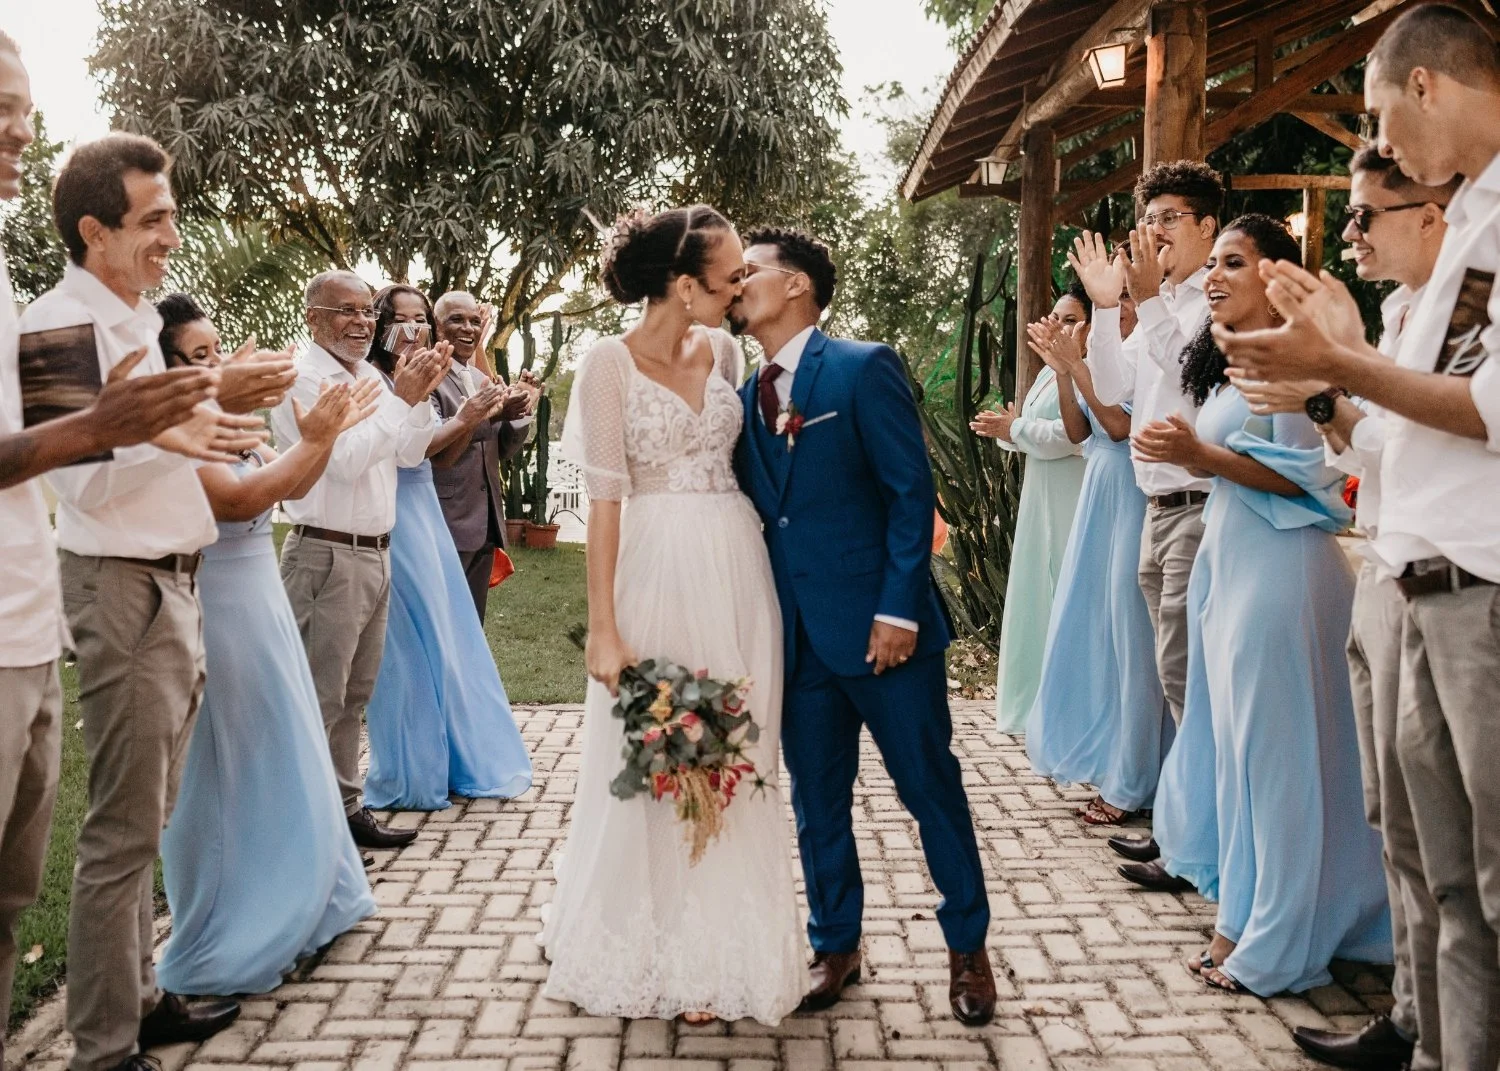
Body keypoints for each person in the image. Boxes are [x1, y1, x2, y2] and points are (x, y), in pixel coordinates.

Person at [1219, 6, 1500, 1062]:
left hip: (1479, 585)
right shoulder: (1472, 224)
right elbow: (1410, 423)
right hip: (1418, 575)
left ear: (1423, 86)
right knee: (1439, 871)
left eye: (1381, 112)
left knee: (1484, 878)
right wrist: (1334, 376)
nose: (1382, 143)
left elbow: (1488, 411)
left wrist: (1336, 364)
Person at [0, 40, 232, 1071]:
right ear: (93, 232)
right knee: (119, 834)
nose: (172, 237)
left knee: (158, 816)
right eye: (154, 220)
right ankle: (102, 1045)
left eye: (173, 214)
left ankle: (143, 993)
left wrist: (209, 426)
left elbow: (146, 453)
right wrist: (161, 433)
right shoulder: (56, 325)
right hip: (121, 589)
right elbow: (79, 480)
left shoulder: (141, 318)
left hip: (176, 582)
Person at [542, 206, 806, 1025]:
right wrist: (605, 626)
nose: (739, 290)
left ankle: (720, 941)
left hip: (736, 565)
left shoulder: (725, 350)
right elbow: (606, 501)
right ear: (683, 285)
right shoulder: (607, 366)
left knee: (736, 744)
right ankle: (653, 936)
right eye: (728, 278)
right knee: (662, 750)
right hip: (653, 571)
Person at [729, 225, 996, 1026]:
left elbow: (912, 494)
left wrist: (896, 608)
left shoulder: (860, 366)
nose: (738, 284)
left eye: (752, 272)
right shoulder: (745, 397)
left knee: (929, 789)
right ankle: (835, 943)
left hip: (887, 635)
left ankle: (967, 950)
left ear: (800, 286)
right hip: (799, 639)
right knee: (817, 798)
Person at [1230, 147, 1456, 1071]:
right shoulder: (1403, 315)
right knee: (1392, 822)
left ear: (1433, 214)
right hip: (1386, 573)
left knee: (1451, 847)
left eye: (1367, 213)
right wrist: (1325, 394)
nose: (1351, 230)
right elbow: (1371, 451)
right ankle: (1410, 1012)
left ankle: (1447, 1034)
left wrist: (1335, 372)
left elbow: (1443, 434)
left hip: (1445, 583)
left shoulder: (1465, 315)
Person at [1133, 215, 1391, 996]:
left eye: (1231, 262)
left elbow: (1318, 486)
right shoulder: (1234, 361)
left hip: (1282, 575)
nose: (1212, 275)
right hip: (1232, 564)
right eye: (1211, 264)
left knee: (1277, 768)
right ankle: (1237, 921)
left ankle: (1279, 940)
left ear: (1275, 275)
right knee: (1243, 760)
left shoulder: (1293, 362)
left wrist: (1199, 456)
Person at [151, 294, 379, 996]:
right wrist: (317, 439)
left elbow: (292, 485)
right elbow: (240, 502)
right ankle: (237, 921)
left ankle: (307, 896)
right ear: (163, 370)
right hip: (219, 606)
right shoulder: (174, 431)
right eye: (197, 358)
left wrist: (321, 434)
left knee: (286, 748)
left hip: (262, 601)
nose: (217, 366)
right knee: (236, 763)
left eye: (217, 352)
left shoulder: (228, 424)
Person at [1070, 161, 1223, 865]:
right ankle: (1188, 831)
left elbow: (1191, 371)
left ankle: (1199, 844)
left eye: (1169, 218)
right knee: (1172, 678)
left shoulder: (1212, 300)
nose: (1154, 231)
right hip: (1154, 508)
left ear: (1208, 226)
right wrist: (1106, 308)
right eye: (1150, 218)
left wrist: (1144, 299)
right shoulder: (1161, 303)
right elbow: (1113, 384)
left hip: (1199, 505)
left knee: (1189, 680)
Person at [270, 270, 450, 851]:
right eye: (345, 311)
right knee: (320, 698)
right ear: (314, 318)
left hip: (375, 553)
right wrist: (400, 400)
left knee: (354, 695)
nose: (361, 322)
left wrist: (415, 399)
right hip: (325, 553)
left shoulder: (371, 374)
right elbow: (342, 459)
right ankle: (307, 830)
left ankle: (347, 811)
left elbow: (406, 450)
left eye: (366, 311)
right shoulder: (303, 379)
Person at [361, 284, 532, 811]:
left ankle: (453, 758)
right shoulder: (381, 382)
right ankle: (413, 769)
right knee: (409, 651)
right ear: (381, 324)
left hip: (428, 515)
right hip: (400, 513)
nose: (411, 330)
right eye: (401, 319)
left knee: (451, 644)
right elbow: (424, 455)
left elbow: (434, 445)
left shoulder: (430, 375)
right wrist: (469, 417)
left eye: (418, 319)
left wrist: (505, 412)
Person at [1022, 288, 1169, 827]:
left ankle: (1135, 783)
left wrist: (1076, 366)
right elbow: (1081, 428)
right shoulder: (1105, 357)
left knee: (1134, 641)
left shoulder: (1145, 353)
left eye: (1128, 297)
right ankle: (1116, 762)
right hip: (1099, 491)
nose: (1122, 307)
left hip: (1131, 493)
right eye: (1117, 299)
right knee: (1097, 632)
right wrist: (1063, 372)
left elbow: (1118, 427)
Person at [971, 287, 1087, 734]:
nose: (1060, 327)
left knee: (1065, 595)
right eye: (1056, 317)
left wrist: (1016, 426)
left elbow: (1070, 437)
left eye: (1072, 318)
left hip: (1072, 497)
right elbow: (1031, 432)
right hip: (1040, 495)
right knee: (1038, 595)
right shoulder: (1046, 374)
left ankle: (1066, 710)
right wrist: (1005, 427)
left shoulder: (1090, 370)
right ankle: (1033, 706)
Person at [430, 290, 537, 620]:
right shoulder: (428, 377)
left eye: (475, 321)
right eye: (456, 320)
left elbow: (499, 448)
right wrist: (489, 416)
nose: (468, 328)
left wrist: (521, 410)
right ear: (436, 326)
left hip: (485, 522)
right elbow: (436, 447)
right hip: (445, 519)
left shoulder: (480, 379)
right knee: (442, 621)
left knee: (471, 625)